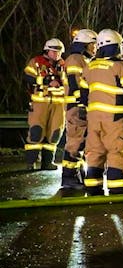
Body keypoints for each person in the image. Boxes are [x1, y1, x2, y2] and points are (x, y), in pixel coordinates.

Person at [79, 29, 123, 195]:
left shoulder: (89, 67)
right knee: (117, 152)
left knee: (95, 152)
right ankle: (117, 189)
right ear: (116, 46)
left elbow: (83, 96)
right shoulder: (121, 67)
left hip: (94, 120)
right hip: (116, 120)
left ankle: (93, 187)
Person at [23, 38, 68, 171]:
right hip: (40, 104)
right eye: (54, 52)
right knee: (36, 132)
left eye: (59, 52)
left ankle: (48, 162)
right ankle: (30, 162)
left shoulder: (64, 65)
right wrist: (47, 80)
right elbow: (27, 77)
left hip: (59, 105)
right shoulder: (36, 62)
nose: (56, 55)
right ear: (47, 50)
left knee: (55, 134)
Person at [61, 29, 97, 188]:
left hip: (80, 106)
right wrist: (83, 102)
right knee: (75, 142)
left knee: (81, 142)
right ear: (85, 45)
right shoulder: (75, 59)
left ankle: (77, 174)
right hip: (76, 107)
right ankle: (69, 177)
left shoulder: (82, 59)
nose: (95, 48)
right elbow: (75, 83)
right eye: (93, 44)